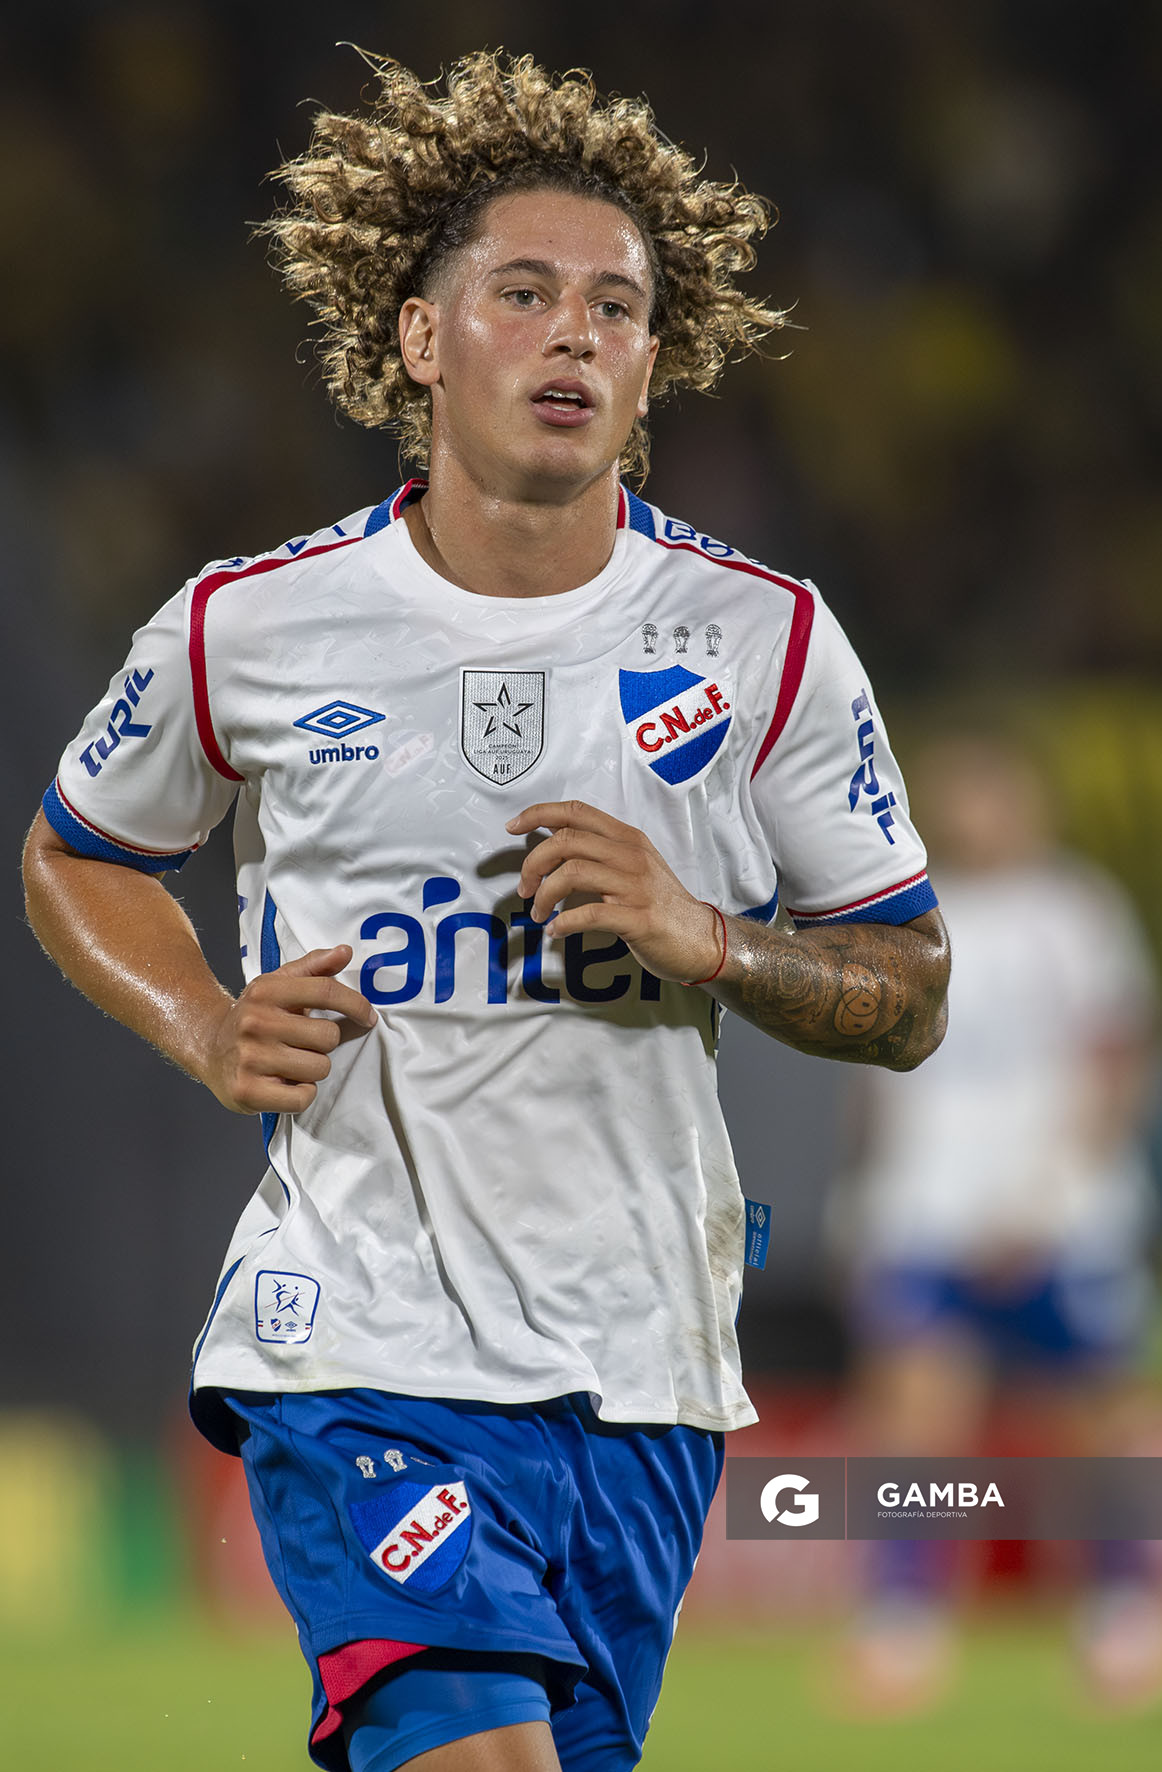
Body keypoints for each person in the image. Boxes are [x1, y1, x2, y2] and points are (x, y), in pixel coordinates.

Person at [22, 50, 949, 1772]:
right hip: (355, 1336)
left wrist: (712, 938)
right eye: (521, 294)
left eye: (615, 305)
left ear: (655, 361)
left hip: (643, 1370)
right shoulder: (251, 625)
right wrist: (203, 1021)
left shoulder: (767, 640)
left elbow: (910, 986)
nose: (575, 334)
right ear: (417, 336)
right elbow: (77, 848)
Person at [831, 734, 1162, 1712]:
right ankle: (903, 1620)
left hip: (1060, 1213)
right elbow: (876, 1080)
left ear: (1028, 802)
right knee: (914, 1415)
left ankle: (1121, 1610)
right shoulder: (907, 922)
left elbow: (1113, 1060)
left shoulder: (1074, 909)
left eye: (992, 793)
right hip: (926, 1208)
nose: (974, 813)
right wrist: (864, 1200)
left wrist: (1056, 1192)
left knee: (1092, 1415)